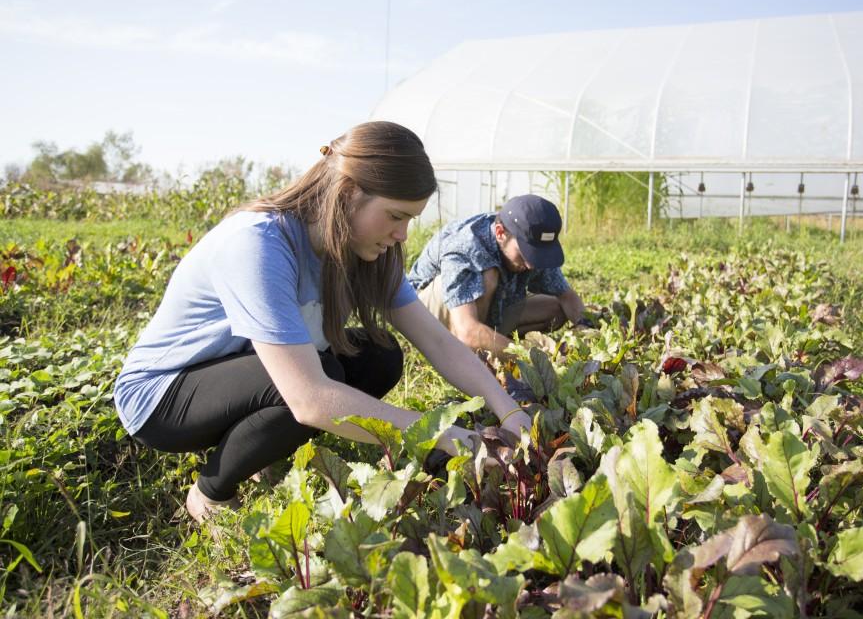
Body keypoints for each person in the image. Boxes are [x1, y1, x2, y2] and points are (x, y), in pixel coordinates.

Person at [113, 122, 532, 523]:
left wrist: (508, 410)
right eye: (395, 216)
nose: (403, 234)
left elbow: (438, 342)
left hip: (249, 373)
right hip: (163, 397)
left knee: (379, 355)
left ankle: (260, 448)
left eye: (410, 220)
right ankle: (210, 491)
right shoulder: (258, 243)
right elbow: (310, 397)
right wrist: (437, 433)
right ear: (348, 193)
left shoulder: (370, 252)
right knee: (319, 380)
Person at [408, 194, 585, 359]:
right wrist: (529, 356)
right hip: (426, 315)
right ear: (500, 233)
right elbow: (466, 330)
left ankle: (490, 342)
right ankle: (472, 355)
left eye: (536, 255)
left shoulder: (531, 240)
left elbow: (567, 296)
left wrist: (586, 331)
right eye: (526, 253)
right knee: (488, 276)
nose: (531, 264)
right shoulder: (467, 247)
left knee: (555, 309)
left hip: (483, 314)